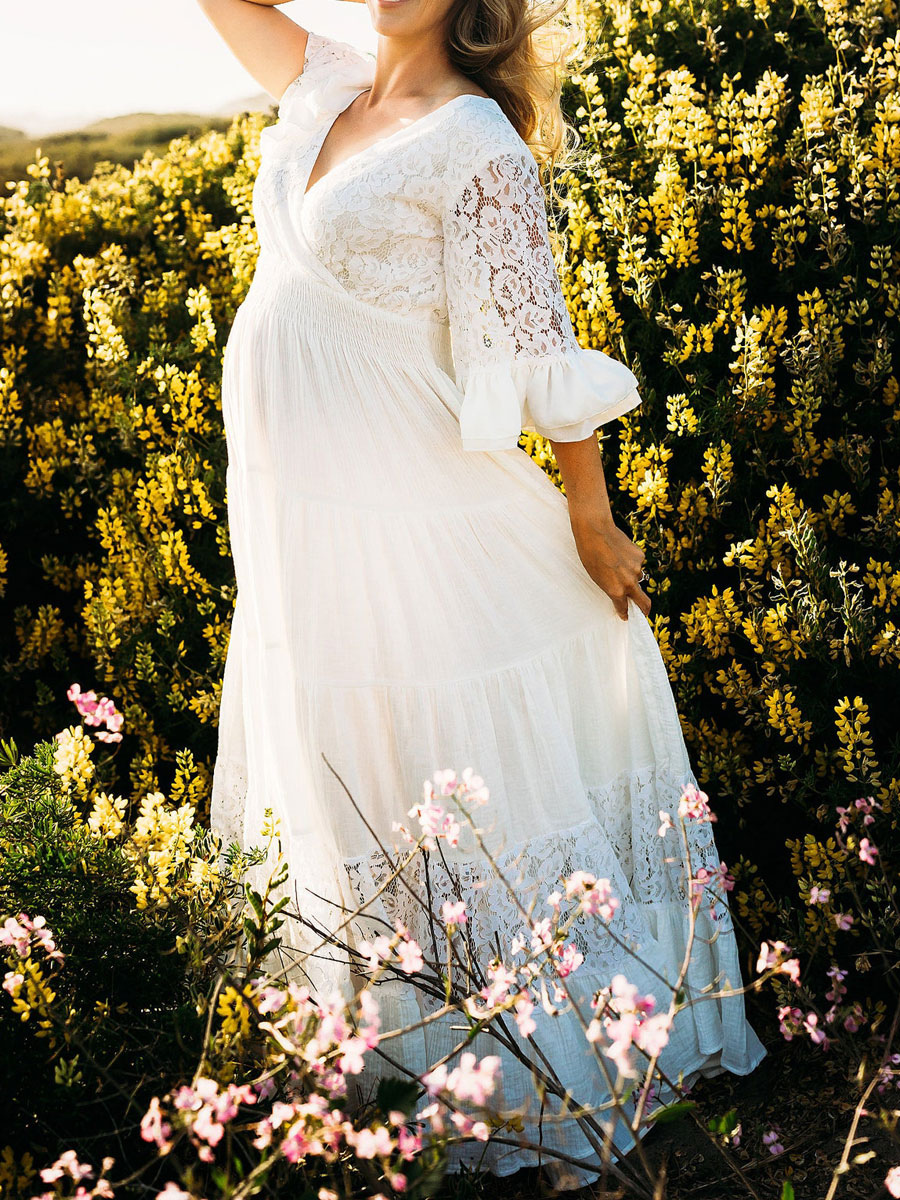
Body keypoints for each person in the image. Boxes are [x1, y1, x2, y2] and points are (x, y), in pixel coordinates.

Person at [199, 0, 767, 1184]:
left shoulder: (479, 143)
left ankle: (530, 1062)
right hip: (302, 523)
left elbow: (529, 335)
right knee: (351, 737)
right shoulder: (329, 82)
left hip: (410, 504)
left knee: (442, 745)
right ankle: (393, 1059)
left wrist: (590, 515)